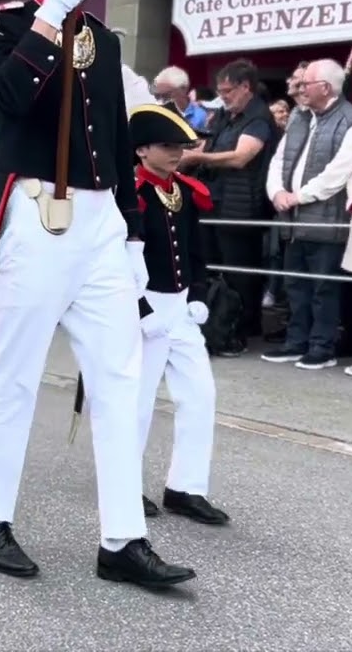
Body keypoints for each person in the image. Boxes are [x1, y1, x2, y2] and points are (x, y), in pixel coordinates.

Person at [0, 0, 194, 588]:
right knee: (16, 375)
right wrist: (48, 14)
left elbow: (117, 137)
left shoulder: (106, 40)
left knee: (120, 377)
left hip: (98, 223)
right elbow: (8, 102)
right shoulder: (3, 26)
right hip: (38, 212)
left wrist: (133, 230)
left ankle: (122, 538)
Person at [125, 104, 228, 526]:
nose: (176, 153)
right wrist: (139, 308)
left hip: (182, 308)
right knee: (138, 404)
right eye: (167, 146)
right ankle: (124, 483)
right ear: (142, 149)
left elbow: (197, 251)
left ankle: (186, 487)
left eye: (181, 146)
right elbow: (117, 259)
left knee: (201, 395)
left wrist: (199, 293)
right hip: (144, 306)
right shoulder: (130, 194)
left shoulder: (183, 191)